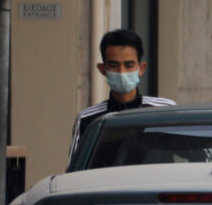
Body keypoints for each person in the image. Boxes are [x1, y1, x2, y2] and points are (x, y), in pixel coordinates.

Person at [69, 29, 174, 162]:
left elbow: (192, 152)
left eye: (129, 65)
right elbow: (75, 171)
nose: (121, 71)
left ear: (141, 68)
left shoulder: (165, 111)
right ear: (102, 69)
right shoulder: (87, 120)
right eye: (114, 65)